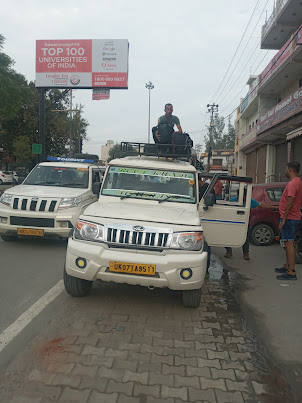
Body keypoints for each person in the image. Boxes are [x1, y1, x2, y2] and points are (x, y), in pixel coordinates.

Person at [224, 188, 277, 260]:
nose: (243, 198)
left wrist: (276, 207)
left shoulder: (250, 201)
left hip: (245, 223)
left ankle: (246, 253)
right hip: (234, 223)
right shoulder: (233, 200)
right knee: (228, 237)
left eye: (244, 196)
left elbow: (262, 205)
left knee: (245, 239)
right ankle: (228, 251)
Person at [275, 161, 302, 281]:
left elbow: (290, 202)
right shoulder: (298, 182)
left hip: (290, 218)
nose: (285, 172)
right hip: (293, 217)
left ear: (290, 170)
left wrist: (284, 219)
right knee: (286, 243)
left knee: (289, 243)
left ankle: (291, 272)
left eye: (286, 169)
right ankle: (287, 266)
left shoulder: (292, 184)